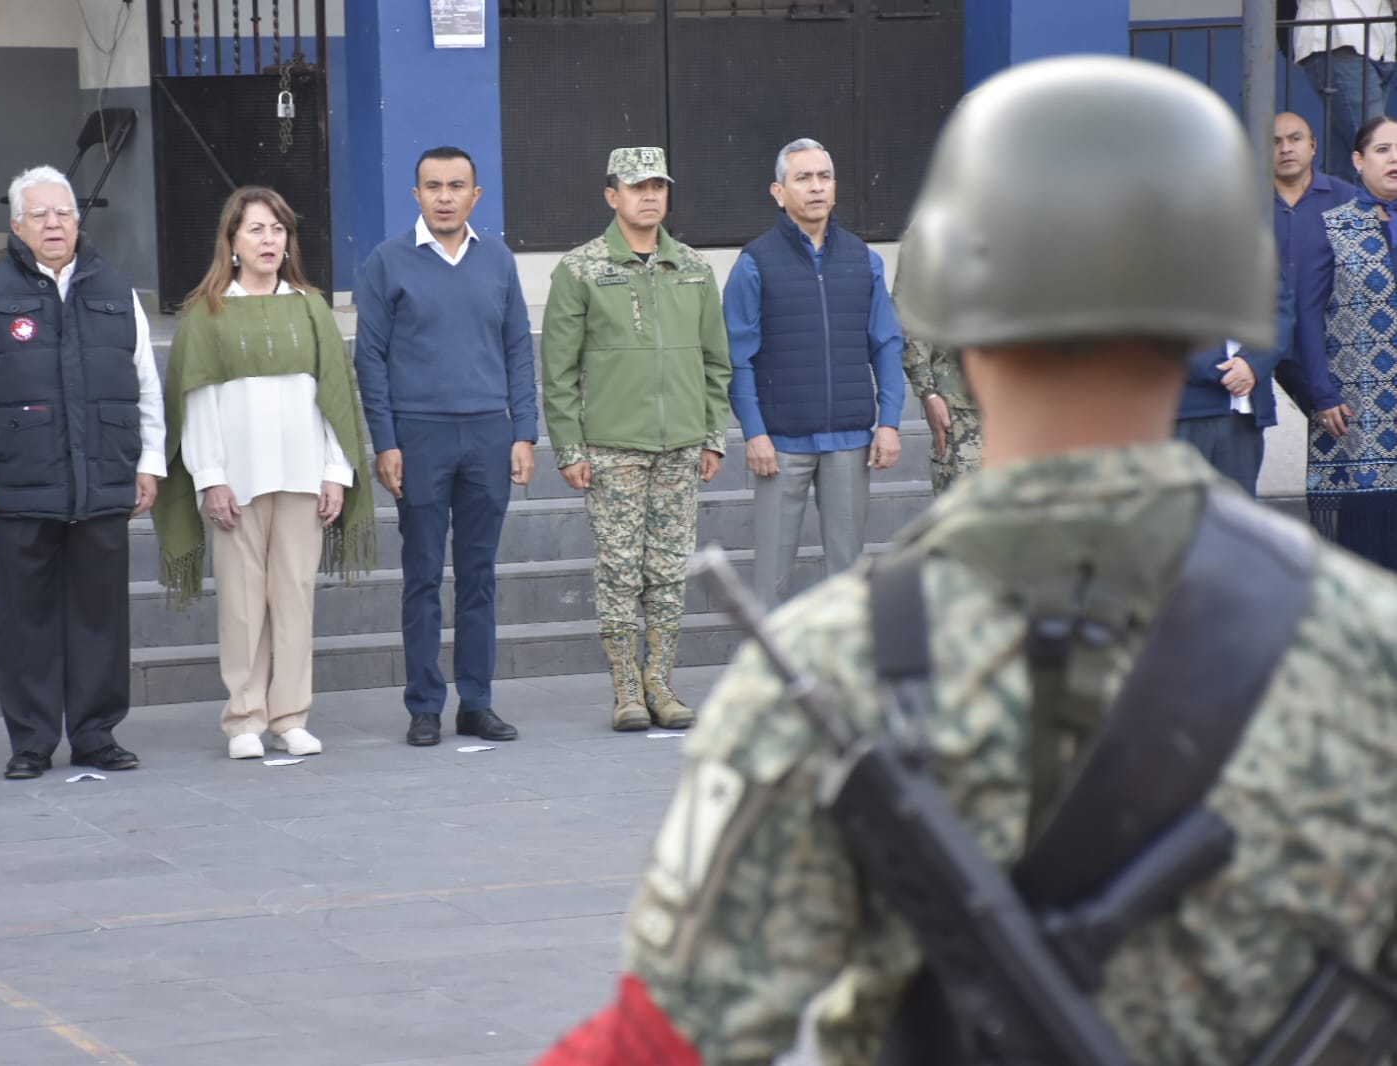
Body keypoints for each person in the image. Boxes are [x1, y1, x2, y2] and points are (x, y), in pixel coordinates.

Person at [538, 57, 1397, 1065]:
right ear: (1223, 295)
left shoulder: (833, 669)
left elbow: (656, 1043)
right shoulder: (1366, 642)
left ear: (952, 301)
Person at [0, 165, 165, 780]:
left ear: (77, 221)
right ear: (16, 226)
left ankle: (96, 734)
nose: (53, 224)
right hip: (20, 481)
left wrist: (150, 460)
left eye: (63, 213)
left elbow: (146, 383)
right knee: (26, 622)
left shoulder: (116, 289)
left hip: (103, 476)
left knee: (101, 618)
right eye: (39, 215)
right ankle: (32, 741)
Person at [153, 186, 376, 760]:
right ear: (231, 241)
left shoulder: (310, 307)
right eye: (256, 229)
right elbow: (196, 402)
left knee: (295, 597)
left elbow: (335, 396)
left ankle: (291, 716)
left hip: (303, 478)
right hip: (238, 483)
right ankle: (245, 718)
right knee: (242, 602)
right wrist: (210, 477)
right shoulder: (207, 312)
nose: (269, 240)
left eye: (278, 230)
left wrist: (336, 471)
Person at [541, 147, 732, 732]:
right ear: (612, 196)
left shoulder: (694, 268)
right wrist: (569, 448)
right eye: (636, 186)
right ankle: (626, 688)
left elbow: (716, 361)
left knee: (670, 571)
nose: (649, 196)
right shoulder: (581, 269)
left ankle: (661, 684)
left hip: (680, 446)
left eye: (658, 186)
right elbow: (558, 370)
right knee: (621, 570)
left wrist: (713, 435)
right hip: (612, 448)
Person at [353, 146, 537, 748]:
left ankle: (477, 703)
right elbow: (369, 358)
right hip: (419, 436)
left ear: (475, 195)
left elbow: (518, 349)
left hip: (488, 434)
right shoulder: (387, 261)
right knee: (423, 575)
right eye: (433, 186)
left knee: (479, 575)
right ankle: (425, 705)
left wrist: (524, 431)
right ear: (416, 195)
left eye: (457, 186)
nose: (445, 197)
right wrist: (385, 441)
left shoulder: (498, 259)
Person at [721, 138, 903, 609]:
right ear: (779, 193)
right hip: (781, 444)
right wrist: (754, 433)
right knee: (771, 579)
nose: (816, 187)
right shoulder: (755, 263)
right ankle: (767, 659)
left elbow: (886, 343)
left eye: (824, 177)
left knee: (847, 578)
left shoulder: (863, 259)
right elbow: (737, 356)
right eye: (803, 178)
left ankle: (844, 659)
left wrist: (889, 422)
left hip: (850, 441)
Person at [1293, 115, 1397, 567]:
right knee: (1370, 539)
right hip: (1361, 404)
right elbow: (1307, 314)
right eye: (1383, 150)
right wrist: (1321, 391)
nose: (1394, 159)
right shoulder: (1331, 225)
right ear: (1358, 161)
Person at [1272, 110, 1357, 426]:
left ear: (1313, 145)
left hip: (1327, 349)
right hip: (1261, 350)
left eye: (1295, 139)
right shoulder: (1246, 201)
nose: (1285, 148)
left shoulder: (1346, 199)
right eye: (1275, 142)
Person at [1174, 276, 1295, 495]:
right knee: (1181, 509)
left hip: (1245, 411)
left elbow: (1279, 309)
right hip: (1186, 406)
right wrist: (1222, 371)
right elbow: (1157, 313)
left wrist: (1253, 364)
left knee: (1240, 509)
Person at [1293, 0, 1395, 184]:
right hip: (1339, 38)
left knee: (1345, 163)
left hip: (1380, 44)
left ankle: (1335, 202)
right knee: (1377, 145)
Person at [901, 335, 980, 494]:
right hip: (961, 407)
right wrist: (928, 393)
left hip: (1025, 400)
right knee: (960, 498)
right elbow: (915, 332)